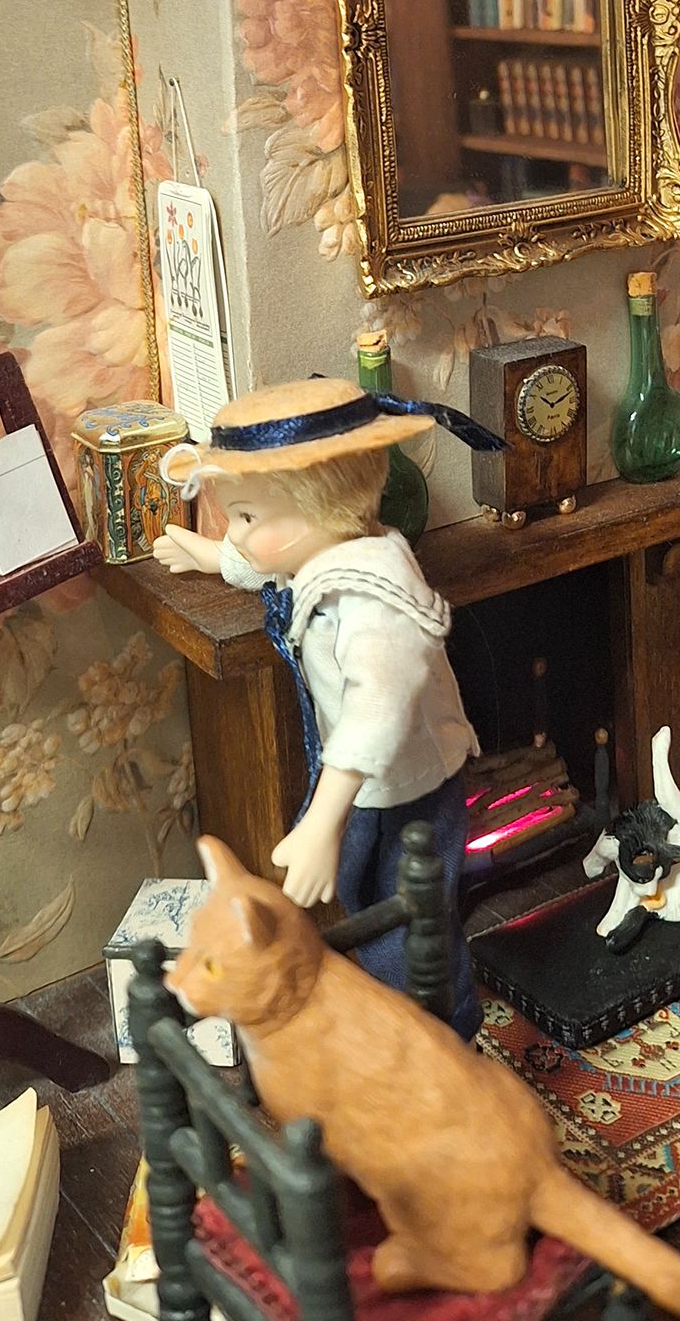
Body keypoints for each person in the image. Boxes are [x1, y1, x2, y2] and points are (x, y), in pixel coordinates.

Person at [152, 377, 503, 1038]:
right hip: (361, 778)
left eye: (245, 518)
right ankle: (387, 1003)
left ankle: (439, 1032)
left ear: (317, 510)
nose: (238, 532)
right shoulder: (332, 551)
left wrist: (323, 820)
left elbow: (378, 711)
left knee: (408, 915)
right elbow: (275, 563)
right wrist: (210, 555)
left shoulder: (371, 599)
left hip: (404, 782)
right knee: (360, 890)